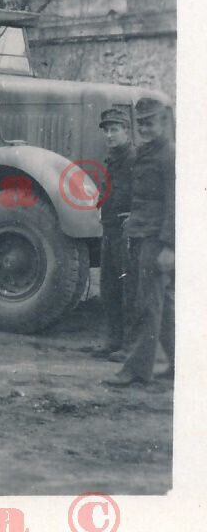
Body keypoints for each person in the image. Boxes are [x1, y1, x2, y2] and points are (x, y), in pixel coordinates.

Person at [105, 97, 175, 386]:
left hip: (155, 238)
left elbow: (175, 203)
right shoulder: (147, 152)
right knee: (163, 303)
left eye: (150, 123)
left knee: (147, 303)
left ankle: (136, 369)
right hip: (141, 233)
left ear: (164, 123)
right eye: (141, 124)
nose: (144, 129)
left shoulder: (169, 155)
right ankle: (180, 363)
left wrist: (170, 246)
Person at [92, 107, 135, 359]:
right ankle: (113, 340)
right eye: (107, 130)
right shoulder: (113, 158)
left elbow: (144, 193)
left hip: (125, 230)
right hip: (110, 228)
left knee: (128, 287)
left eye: (114, 130)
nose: (109, 135)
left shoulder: (133, 158)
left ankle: (129, 346)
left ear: (126, 131)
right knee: (109, 286)